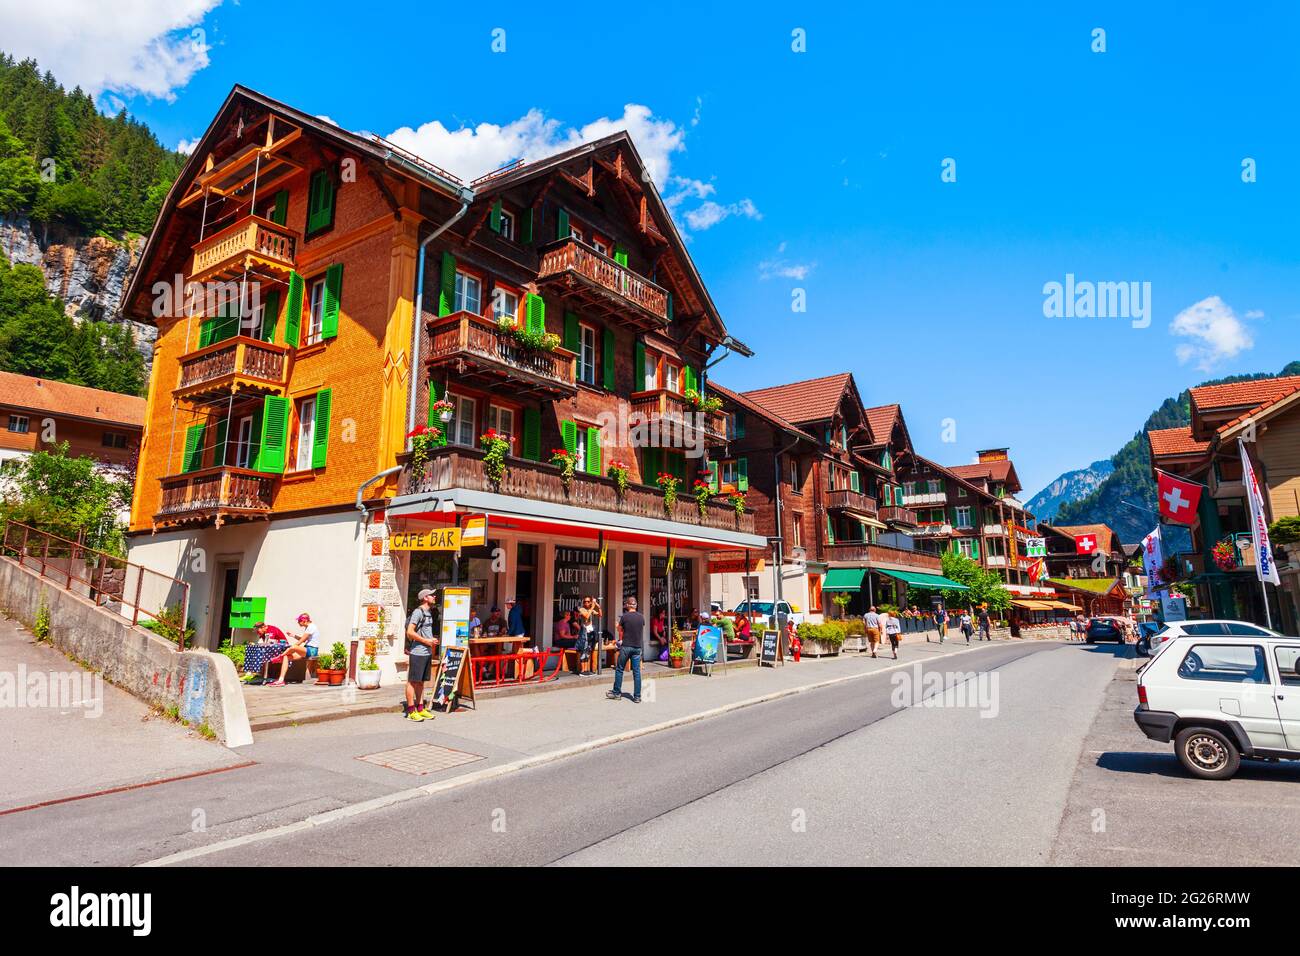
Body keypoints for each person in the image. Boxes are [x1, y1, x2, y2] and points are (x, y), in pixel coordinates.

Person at [404, 589, 439, 721]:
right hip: (418, 652)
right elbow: (410, 632)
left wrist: (431, 640)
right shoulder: (418, 612)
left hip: (427, 652)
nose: (434, 596)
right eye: (432, 595)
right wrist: (426, 641)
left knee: (421, 682)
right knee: (413, 681)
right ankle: (411, 711)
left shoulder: (428, 612)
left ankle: (420, 708)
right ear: (425, 598)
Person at [606, 597, 646, 703]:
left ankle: (616, 693)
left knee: (619, 669)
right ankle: (637, 696)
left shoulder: (624, 617)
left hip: (626, 646)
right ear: (636, 605)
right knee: (636, 672)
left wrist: (617, 626)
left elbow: (620, 630)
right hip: (637, 647)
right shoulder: (641, 617)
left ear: (628, 605)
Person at [267, 613, 320, 685]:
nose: (298, 623)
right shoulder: (308, 627)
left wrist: (292, 648)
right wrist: (293, 635)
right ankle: (281, 680)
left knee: (294, 647)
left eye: (299, 621)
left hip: (312, 650)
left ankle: (280, 656)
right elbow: (303, 639)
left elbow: (300, 642)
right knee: (286, 657)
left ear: (304, 620)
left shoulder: (311, 627)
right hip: (306, 650)